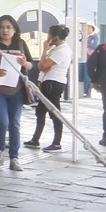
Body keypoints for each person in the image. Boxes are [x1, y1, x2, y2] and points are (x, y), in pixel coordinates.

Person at [0, 15, 34, 171]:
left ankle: (14, 157)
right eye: (2, 27)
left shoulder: (21, 44)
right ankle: (0, 149)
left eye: (8, 27)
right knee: (2, 121)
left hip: (17, 90)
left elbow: (30, 65)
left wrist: (25, 63)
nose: (5, 30)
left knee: (15, 124)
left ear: (14, 29)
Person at [25, 25, 71, 153]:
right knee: (40, 111)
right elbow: (42, 66)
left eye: (49, 35)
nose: (47, 38)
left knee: (54, 112)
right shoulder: (56, 49)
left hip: (54, 83)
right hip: (47, 81)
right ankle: (35, 139)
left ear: (55, 37)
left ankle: (57, 142)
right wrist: (45, 60)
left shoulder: (62, 51)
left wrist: (45, 50)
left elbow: (43, 65)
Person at [82, 22, 99, 99]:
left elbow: (95, 46)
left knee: (88, 74)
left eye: (89, 28)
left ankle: (88, 91)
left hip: (90, 56)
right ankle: (85, 90)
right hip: (84, 56)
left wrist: (86, 44)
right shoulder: (85, 36)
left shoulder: (94, 36)